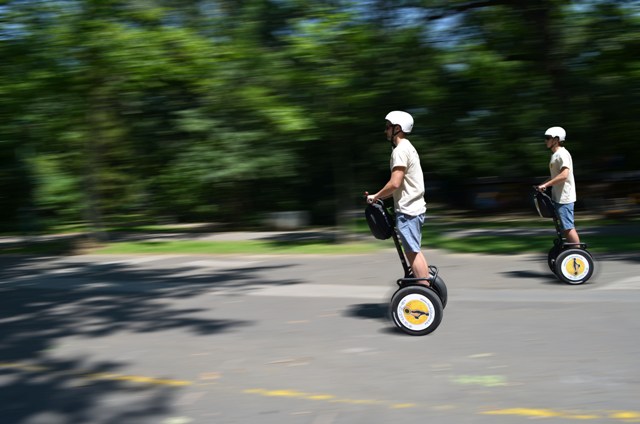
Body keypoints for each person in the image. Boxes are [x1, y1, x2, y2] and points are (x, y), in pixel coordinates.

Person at [366, 111, 430, 286]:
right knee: (414, 250)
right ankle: (427, 287)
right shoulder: (408, 147)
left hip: (408, 209)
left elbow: (395, 183)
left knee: (411, 251)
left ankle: (424, 292)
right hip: (414, 207)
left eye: (388, 127)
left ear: (398, 128)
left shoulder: (400, 150)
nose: (385, 130)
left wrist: (376, 196)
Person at [537, 126, 581, 244]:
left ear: (556, 139)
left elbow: (564, 175)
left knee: (568, 228)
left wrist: (546, 185)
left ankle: (578, 254)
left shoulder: (562, 154)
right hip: (559, 197)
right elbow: (556, 175)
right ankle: (572, 253)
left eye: (547, 138)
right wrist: (543, 184)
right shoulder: (555, 155)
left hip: (565, 198)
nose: (545, 141)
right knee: (564, 228)